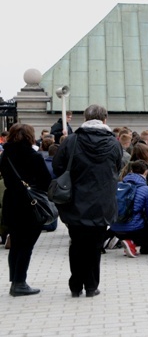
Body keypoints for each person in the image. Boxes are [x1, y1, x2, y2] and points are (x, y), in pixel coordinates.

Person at [53, 105, 123, 297]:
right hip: (102, 202)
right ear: (105, 120)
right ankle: (92, 286)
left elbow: (58, 167)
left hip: (75, 200)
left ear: (85, 118)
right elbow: (118, 168)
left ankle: (75, 285)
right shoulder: (114, 143)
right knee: (95, 244)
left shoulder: (72, 141)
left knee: (76, 244)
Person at [0, 123, 52, 296]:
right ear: (30, 136)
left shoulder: (5, 155)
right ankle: (19, 282)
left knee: (15, 243)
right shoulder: (34, 156)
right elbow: (46, 181)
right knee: (26, 245)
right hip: (30, 205)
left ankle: (15, 280)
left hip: (11, 203)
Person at [109, 161, 148, 257]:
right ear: (146, 172)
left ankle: (129, 244)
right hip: (135, 230)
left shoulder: (118, 186)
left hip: (115, 229)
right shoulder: (147, 190)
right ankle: (132, 242)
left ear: (131, 171)